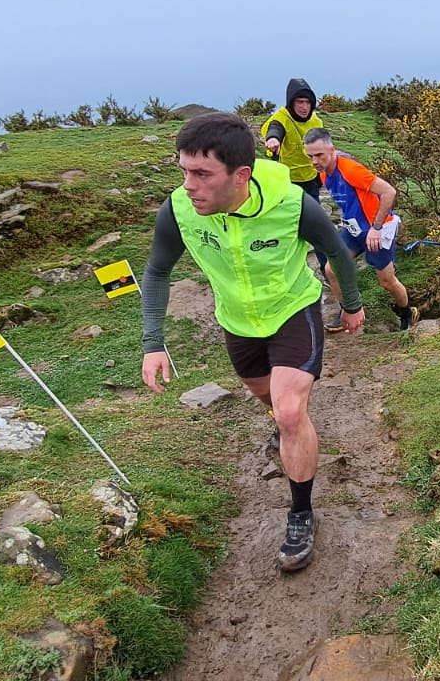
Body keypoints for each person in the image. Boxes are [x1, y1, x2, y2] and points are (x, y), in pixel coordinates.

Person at [141, 112, 365, 572]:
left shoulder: (291, 204)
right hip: (238, 322)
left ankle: (301, 512)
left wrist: (352, 304)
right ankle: (287, 426)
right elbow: (158, 270)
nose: (189, 185)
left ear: (240, 175)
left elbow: (338, 253)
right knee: (270, 401)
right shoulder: (179, 210)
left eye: (202, 174)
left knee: (289, 411)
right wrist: (153, 341)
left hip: (291, 311)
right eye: (184, 171)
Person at [304, 127, 419, 332]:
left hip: (376, 230)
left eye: (319, 155)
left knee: (387, 281)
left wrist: (376, 228)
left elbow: (388, 192)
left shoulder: (350, 170)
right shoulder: (323, 174)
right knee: (332, 270)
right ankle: (348, 311)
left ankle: (407, 312)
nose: (314, 161)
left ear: (332, 150)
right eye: (310, 156)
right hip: (353, 230)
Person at [261, 78, 325, 200]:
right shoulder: (282, 118)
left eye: (308, 102)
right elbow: (275, 128)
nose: (305, 107)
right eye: (300, 102)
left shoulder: (316, 121)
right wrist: (273, 139)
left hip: (311, 178)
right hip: (288, 179)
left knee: (313, 215)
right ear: (291, 102)